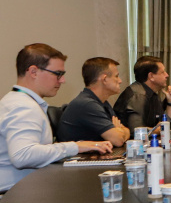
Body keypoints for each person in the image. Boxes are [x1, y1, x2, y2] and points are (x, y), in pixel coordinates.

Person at [0, 44, 112, 193]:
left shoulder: (17, 100)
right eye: (57, 73)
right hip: (14, 196)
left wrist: (78, 145)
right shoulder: (23, 106)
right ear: (33, 71)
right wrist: (76, 147)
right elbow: (23, 155)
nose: (63, 80)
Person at [57, 57, 131, 146]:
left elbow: (126, 131)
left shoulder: (102, 102)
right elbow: (118, 140)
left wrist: (119, 130)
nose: (120, 81)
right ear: (105, 79)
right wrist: (119, 130)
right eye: (116, 76)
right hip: (80, 158)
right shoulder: (87, 104)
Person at [113, 55, 171, 135]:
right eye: (162, 72)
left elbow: (166, 125)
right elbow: (137, 131)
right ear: (151, 76)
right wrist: (159, 130)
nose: (167, 75)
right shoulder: (138, 95)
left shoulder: (152, 94)